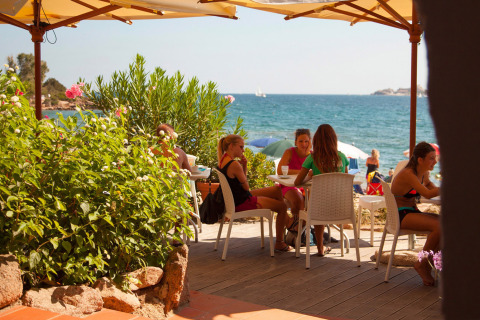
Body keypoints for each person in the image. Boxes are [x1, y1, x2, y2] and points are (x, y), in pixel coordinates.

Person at [217, 134, 292, 252]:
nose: (243, 150)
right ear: (231, 146)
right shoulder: (234, 165)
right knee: (282, 207)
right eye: (241, 147)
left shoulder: (222, 160)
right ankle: (280, 241)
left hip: (237, 198)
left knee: (277, 190)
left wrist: (244, 166)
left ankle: (288, 224)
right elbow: (246, 187)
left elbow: (242, 186)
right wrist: (242, 168)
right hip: (242, 202)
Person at [294, 124, 349, 256]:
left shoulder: (313, 158)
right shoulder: (342, 157)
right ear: (334, 140)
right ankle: (321, 247)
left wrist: (310, 175)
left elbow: (297, 182)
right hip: (341, 207)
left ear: (316, 141)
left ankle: (320, 247)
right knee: (323, 205)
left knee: (318, 207)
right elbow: (346, 179)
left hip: (319, 209)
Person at [391, 141, 440, 286]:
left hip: (411, 211)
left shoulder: (422, 173)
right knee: (440, 226)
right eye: (431, 158)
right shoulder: (409, 174)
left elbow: (431, 187)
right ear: (420, 160)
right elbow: (428, 194)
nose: (435, 161)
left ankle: (427, 263)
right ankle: (422, 264)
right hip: (400, 215)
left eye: (435, 158)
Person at [277, 128, 311, 232]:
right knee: (298, 200)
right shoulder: (290, 152)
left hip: (306, 186)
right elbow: (280, 170)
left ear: (310, 142)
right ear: (295, 142)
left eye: (306, 141)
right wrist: (302, 171)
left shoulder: (312, 155)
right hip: (289, 185)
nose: (303, 144)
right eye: (300, 141)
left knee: (314, 201)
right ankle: (296, 229)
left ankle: (304, 230)